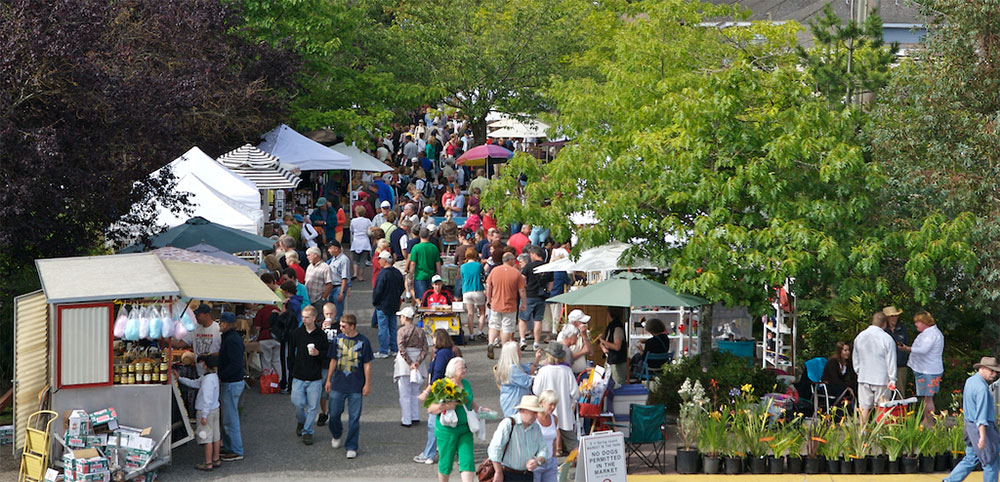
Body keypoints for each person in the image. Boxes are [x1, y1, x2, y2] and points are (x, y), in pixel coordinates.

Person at [426, 357, 490, 482]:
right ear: (452, 369)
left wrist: (479, 408)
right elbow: (430, 409)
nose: (464, 370)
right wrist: (445, 406)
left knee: (467, 460)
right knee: (446, 462)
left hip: (465, 429)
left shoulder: (466, 384)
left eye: (465, 367)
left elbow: (469, 402)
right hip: (447, 431)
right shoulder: (442, 385)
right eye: (461, 368)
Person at [325, 314, 374, 459]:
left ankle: (352, 446)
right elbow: (333, 360)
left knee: (354, 418)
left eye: (343, 326)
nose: (340, 328)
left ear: (352, 326)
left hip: (356, 385)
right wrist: (328, 379)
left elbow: (367, 364)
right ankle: (336, 433)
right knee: (333, 414)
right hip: (338, 384)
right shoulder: (337, 339)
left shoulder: (364, 341)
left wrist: (367, 384)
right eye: (340, 325)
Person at [945, 356, 1000, 482]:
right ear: (982, 368)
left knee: (971, 458)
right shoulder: (982, 389)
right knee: (990, 461)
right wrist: (982, 436)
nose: (994, 374)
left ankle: (949, 481)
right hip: (982, 429)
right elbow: (981, 415)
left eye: (995, 371)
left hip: (969, 426)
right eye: (991, 371)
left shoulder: (970, 381)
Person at [414, 330, 463, 465]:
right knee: (449, 422)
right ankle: (453, 450)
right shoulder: (450, 352)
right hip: (449, 389)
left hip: (440, 391)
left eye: (434, 337)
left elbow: (436, 375)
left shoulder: (441, 354)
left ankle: (429, 453)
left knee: (434, 423)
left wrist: (426, 391)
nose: (432, 340)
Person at [288, 306, 330, 445]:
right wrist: (291, 370)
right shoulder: (297, 333)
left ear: (313, 318)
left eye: (306, 317)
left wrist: (318, 353)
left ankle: (307, 431)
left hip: (315, 377)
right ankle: (302, 421)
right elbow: (291, 352)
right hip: (298, 375)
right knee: (298, 403)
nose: (303, 320)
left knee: (313, 407)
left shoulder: (321, 335)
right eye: (303, 317)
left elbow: (327, 354)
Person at [488, 395, 549, 482]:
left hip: (527, 475)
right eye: (533, 413)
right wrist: (498, 471)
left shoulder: (536, 427)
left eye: (537, 413)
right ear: (523, 411)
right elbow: (494, 448)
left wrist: (537, 461)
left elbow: (544, 449)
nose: (536, 416)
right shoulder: (508, 423)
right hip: (508, 474)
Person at [176, 355, 221, 471]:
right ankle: (216, 459)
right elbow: (195, 383)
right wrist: (180, 378)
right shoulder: (212, 377)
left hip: (206, 411)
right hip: (215, 410)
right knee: (216, 436)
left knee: (206, 437)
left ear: (205, 365)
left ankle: (208, 462)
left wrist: (204, 415)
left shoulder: (207, 381)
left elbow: (207, 398)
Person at [899, 311, 944, 424]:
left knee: (928, 398)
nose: (916, 325)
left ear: (924, 322)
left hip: (928, 371)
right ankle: (926, 420)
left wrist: (907, 349)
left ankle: (928, 422)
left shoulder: (931, 334)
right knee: (926, 398)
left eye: (917, 322)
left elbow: (924, 350)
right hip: (926, 369)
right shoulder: (929, 333)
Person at [852, 312, 897, 426]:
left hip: (864, 377)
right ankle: (880, 434)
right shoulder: (887, 339)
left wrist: (858, 371)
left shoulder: (860, 337)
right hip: (881, 378)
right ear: (884, 324)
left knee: (864, 407)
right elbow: (891, 360)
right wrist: (892, 378)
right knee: (881, 407)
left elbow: (855, 358)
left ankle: (862, 433)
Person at [532, 343, 579, 452]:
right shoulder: (567, 371)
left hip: (547, 412)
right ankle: (579, 461)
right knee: (572, 441)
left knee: (545, 440)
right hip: (564, 411)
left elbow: (536, 391)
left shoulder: (543, 371)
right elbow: (575, 393)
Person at [486, 252, 527, 359]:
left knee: (494, 325)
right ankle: (504, 349)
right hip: (510, 305)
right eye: (513, 259)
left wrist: (489, 299)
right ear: (510, 260)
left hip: (495, 303)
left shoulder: (494, 271)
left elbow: (489, 286)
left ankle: (490, 343)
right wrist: (523, 303)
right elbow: (521, 290)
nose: (515, 261)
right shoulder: (516, 273)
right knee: (506, 328)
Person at [394, 306, 428, 427]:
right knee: (415, 391)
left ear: (404, 318)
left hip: (404, 364)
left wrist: (410, 363)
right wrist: (417, 362)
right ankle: (415, 416)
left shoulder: (401, 331)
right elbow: (425, 348)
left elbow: (401, 348)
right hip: (418, 362)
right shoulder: (420, 331)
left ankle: (406, 419)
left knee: (404, 393)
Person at [217, 312, 245, 461]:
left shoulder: (231, 340)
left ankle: (236, 450)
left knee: (230, 418)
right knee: (228, 417)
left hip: (232, 382)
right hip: (232, 381)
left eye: (221, 322)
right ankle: (229, 447)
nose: (219, 325)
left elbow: (235, 364)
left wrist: (221, 375)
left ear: (226, 324)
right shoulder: (231, 338)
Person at [372, 250, 405, 358]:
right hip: (394, 304)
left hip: (382, 305)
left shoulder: (382, 274)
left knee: (383, 329)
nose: (379, 261)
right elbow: (402, 287)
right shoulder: (397, 272)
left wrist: (375, 302)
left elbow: (378, 290)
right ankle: (394, 349)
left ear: (385, 261)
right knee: (392, 328)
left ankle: (383, 351)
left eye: (380, 259)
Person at [519, 246, 552, 351]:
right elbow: (551, 282)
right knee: (538, 320)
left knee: (523, 319)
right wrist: (548, 291)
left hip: (529, 295)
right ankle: (536, 343)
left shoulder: (529, 266)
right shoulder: (548, 266)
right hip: (541, 296)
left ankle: (523, 339)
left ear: (533, 254)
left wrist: (523, 290)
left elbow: (522, 279)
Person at [495, 342, 539, 417]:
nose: (520, 353)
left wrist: (537, 360)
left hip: (514, 400)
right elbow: (528, 381)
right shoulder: (512, 370)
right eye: (518, 351)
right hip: (514, 402)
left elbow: (529, 369)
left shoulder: (514, 366)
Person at [177, 303, 221, 376]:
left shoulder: (218, 329)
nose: (196, 317)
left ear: (207, 315)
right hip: (199, 372)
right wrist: (163, 338)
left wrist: (209, 356)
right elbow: (180, 344)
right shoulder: (195, 328)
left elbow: (224, 351)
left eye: (198, 315)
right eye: (195, 315)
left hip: (214, 373)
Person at [459, 247, 487, 340]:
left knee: (470, 313)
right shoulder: (478, 265)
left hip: (467, 290)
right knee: (482, 312)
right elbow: (483, 276)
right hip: (477, 289)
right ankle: (480, 331)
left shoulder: (462, 267)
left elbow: (462, 278)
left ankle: (471, 334)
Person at [408, 227, 442, 301]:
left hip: (419, 276)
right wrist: (439, 275)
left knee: (421, 298)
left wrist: (410, 276)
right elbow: (438, 263)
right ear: (429, 236)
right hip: (431, 275)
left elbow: (413, 263)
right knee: (430, 297)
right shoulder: (434, 247)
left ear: (419, 235)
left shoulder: (416, 248)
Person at [533, 391, 560, 482]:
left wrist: (554, 456)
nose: (553, 407)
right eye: (550, 404)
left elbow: (554, 439)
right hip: (536, 461)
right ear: (542, 403)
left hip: (550, 461)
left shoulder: (554, 418)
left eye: (554, 405)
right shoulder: (534, 419)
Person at [883, 305, 909, 398]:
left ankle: (900, 412)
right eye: (891, 316)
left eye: (895, 316)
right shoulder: (883, 330)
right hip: (885, 366)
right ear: (887, 318)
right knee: (884, 394)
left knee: (900, 393)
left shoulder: (902, 329)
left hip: (900, 365)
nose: (894, 318)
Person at [821, 341, 857, 406]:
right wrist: (847, 387)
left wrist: (851, 385)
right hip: (829, 386)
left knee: (856, 388)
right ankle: (839, 412)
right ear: (840, 351)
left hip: (840, 385)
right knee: (841, 390)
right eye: (845, 350)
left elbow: (853, 376)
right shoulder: (833, 362)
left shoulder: (848, 362)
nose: (848, 352)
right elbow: (835, 379)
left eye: (848, 350)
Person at [599, 313, 628, 386]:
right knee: (607, 384)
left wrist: (603, 341)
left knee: (618, 384)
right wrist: (602, 345)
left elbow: (617, 347)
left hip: (617, 362)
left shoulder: (617, 328)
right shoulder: (610, 326)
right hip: (609, 360)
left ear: (609, 314)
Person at [326, 241, 351, 324]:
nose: (328, 250)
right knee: (331, 310)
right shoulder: (333, 259)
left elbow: (344, 277)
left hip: (339, 287)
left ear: (336, 249)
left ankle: (339, 327)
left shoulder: (344, 260)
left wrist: (342, 292)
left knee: (338, 311)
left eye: (330, 248)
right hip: (331, 287)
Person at [304, 246, 333, 313]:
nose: (307, 257)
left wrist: (323, 298)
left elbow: (329, 284)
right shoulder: (309, 266)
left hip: (318, 299)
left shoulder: (325, 267)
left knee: (319, 320)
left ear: (315, 255)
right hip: (308, 299)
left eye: (309, 255)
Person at [566, 310, 593, 375]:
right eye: (582, 322)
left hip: (582, 373)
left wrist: (584, 336)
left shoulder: (585, 333)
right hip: (570, 373)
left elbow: (591, 352)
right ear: (575, 323)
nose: (585, 324)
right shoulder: (564, 335)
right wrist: (582, 352)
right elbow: (566, 359)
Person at [350, 206, 373, 281]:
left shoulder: (353, 221)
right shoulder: (367, 221)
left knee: (355, 259)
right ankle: (360, 276)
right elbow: (370, 231)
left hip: (356, 241)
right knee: (363, 260)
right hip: (365, 241)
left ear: (357, 213)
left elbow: (351, 230)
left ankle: (355, 273)